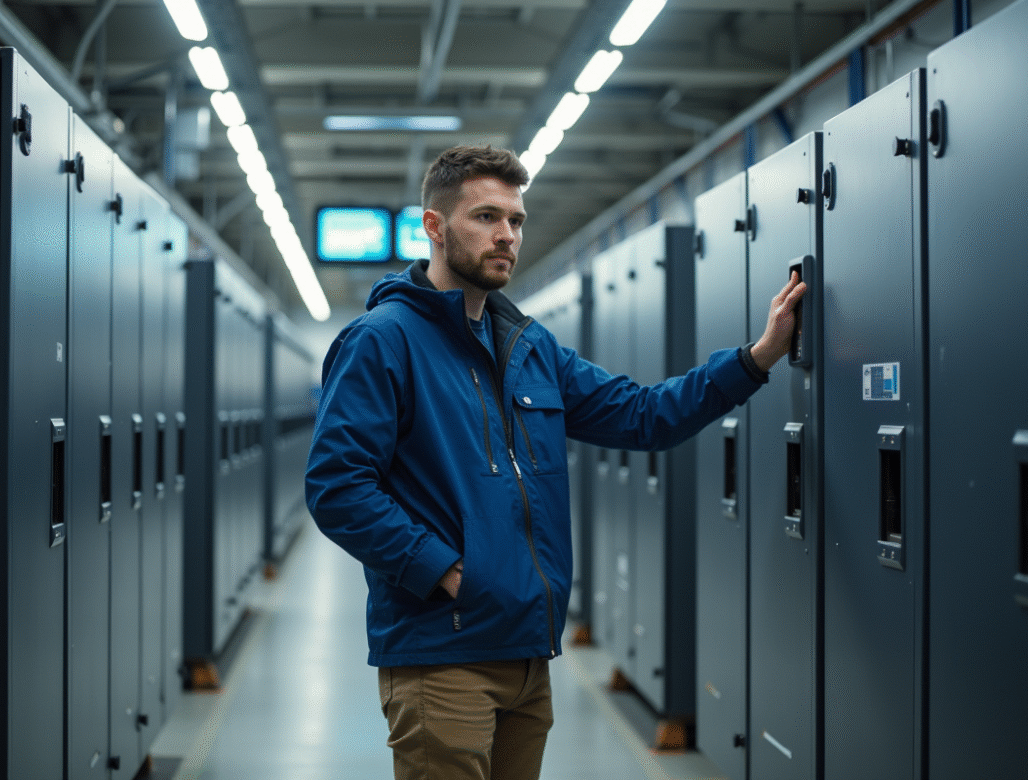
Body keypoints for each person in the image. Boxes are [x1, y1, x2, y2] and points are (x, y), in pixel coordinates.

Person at [305, 145, 806, 780]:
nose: (506, 235)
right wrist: (442, 570)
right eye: (486, 217)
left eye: (515, 220)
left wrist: (757, 358)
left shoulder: (528, 346)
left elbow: (644, 414)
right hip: (442, 652)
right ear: (434, 225)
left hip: (527, 655)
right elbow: (337, 486)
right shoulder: (383, 340)